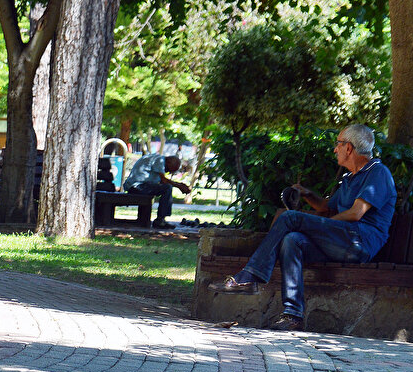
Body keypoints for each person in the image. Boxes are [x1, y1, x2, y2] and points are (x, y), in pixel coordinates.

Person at [209, 124, 396, 331]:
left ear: (349, 148)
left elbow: (356, 213)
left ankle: (249, 276)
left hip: (360, 241)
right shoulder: (350, 177)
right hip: (343, 240)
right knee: (292, 241)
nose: (335, 149)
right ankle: (293, 316)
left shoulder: (378, 172)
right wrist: (307, 194)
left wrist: (320, 224)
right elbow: (326, 207)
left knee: (291, 218)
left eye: (338, 144)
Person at [122, 152, 191, 229]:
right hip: (137, 186)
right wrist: (179, 186)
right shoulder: (159, 160)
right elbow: (164, 180)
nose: (169, 172)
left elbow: (162, 182)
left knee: (166, 188)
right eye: (170, 169)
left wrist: (179, 185)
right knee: (167, 188)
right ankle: (160, 220)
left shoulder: (156, 160)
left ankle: (159, 219)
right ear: (168, 162)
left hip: (140, 186)